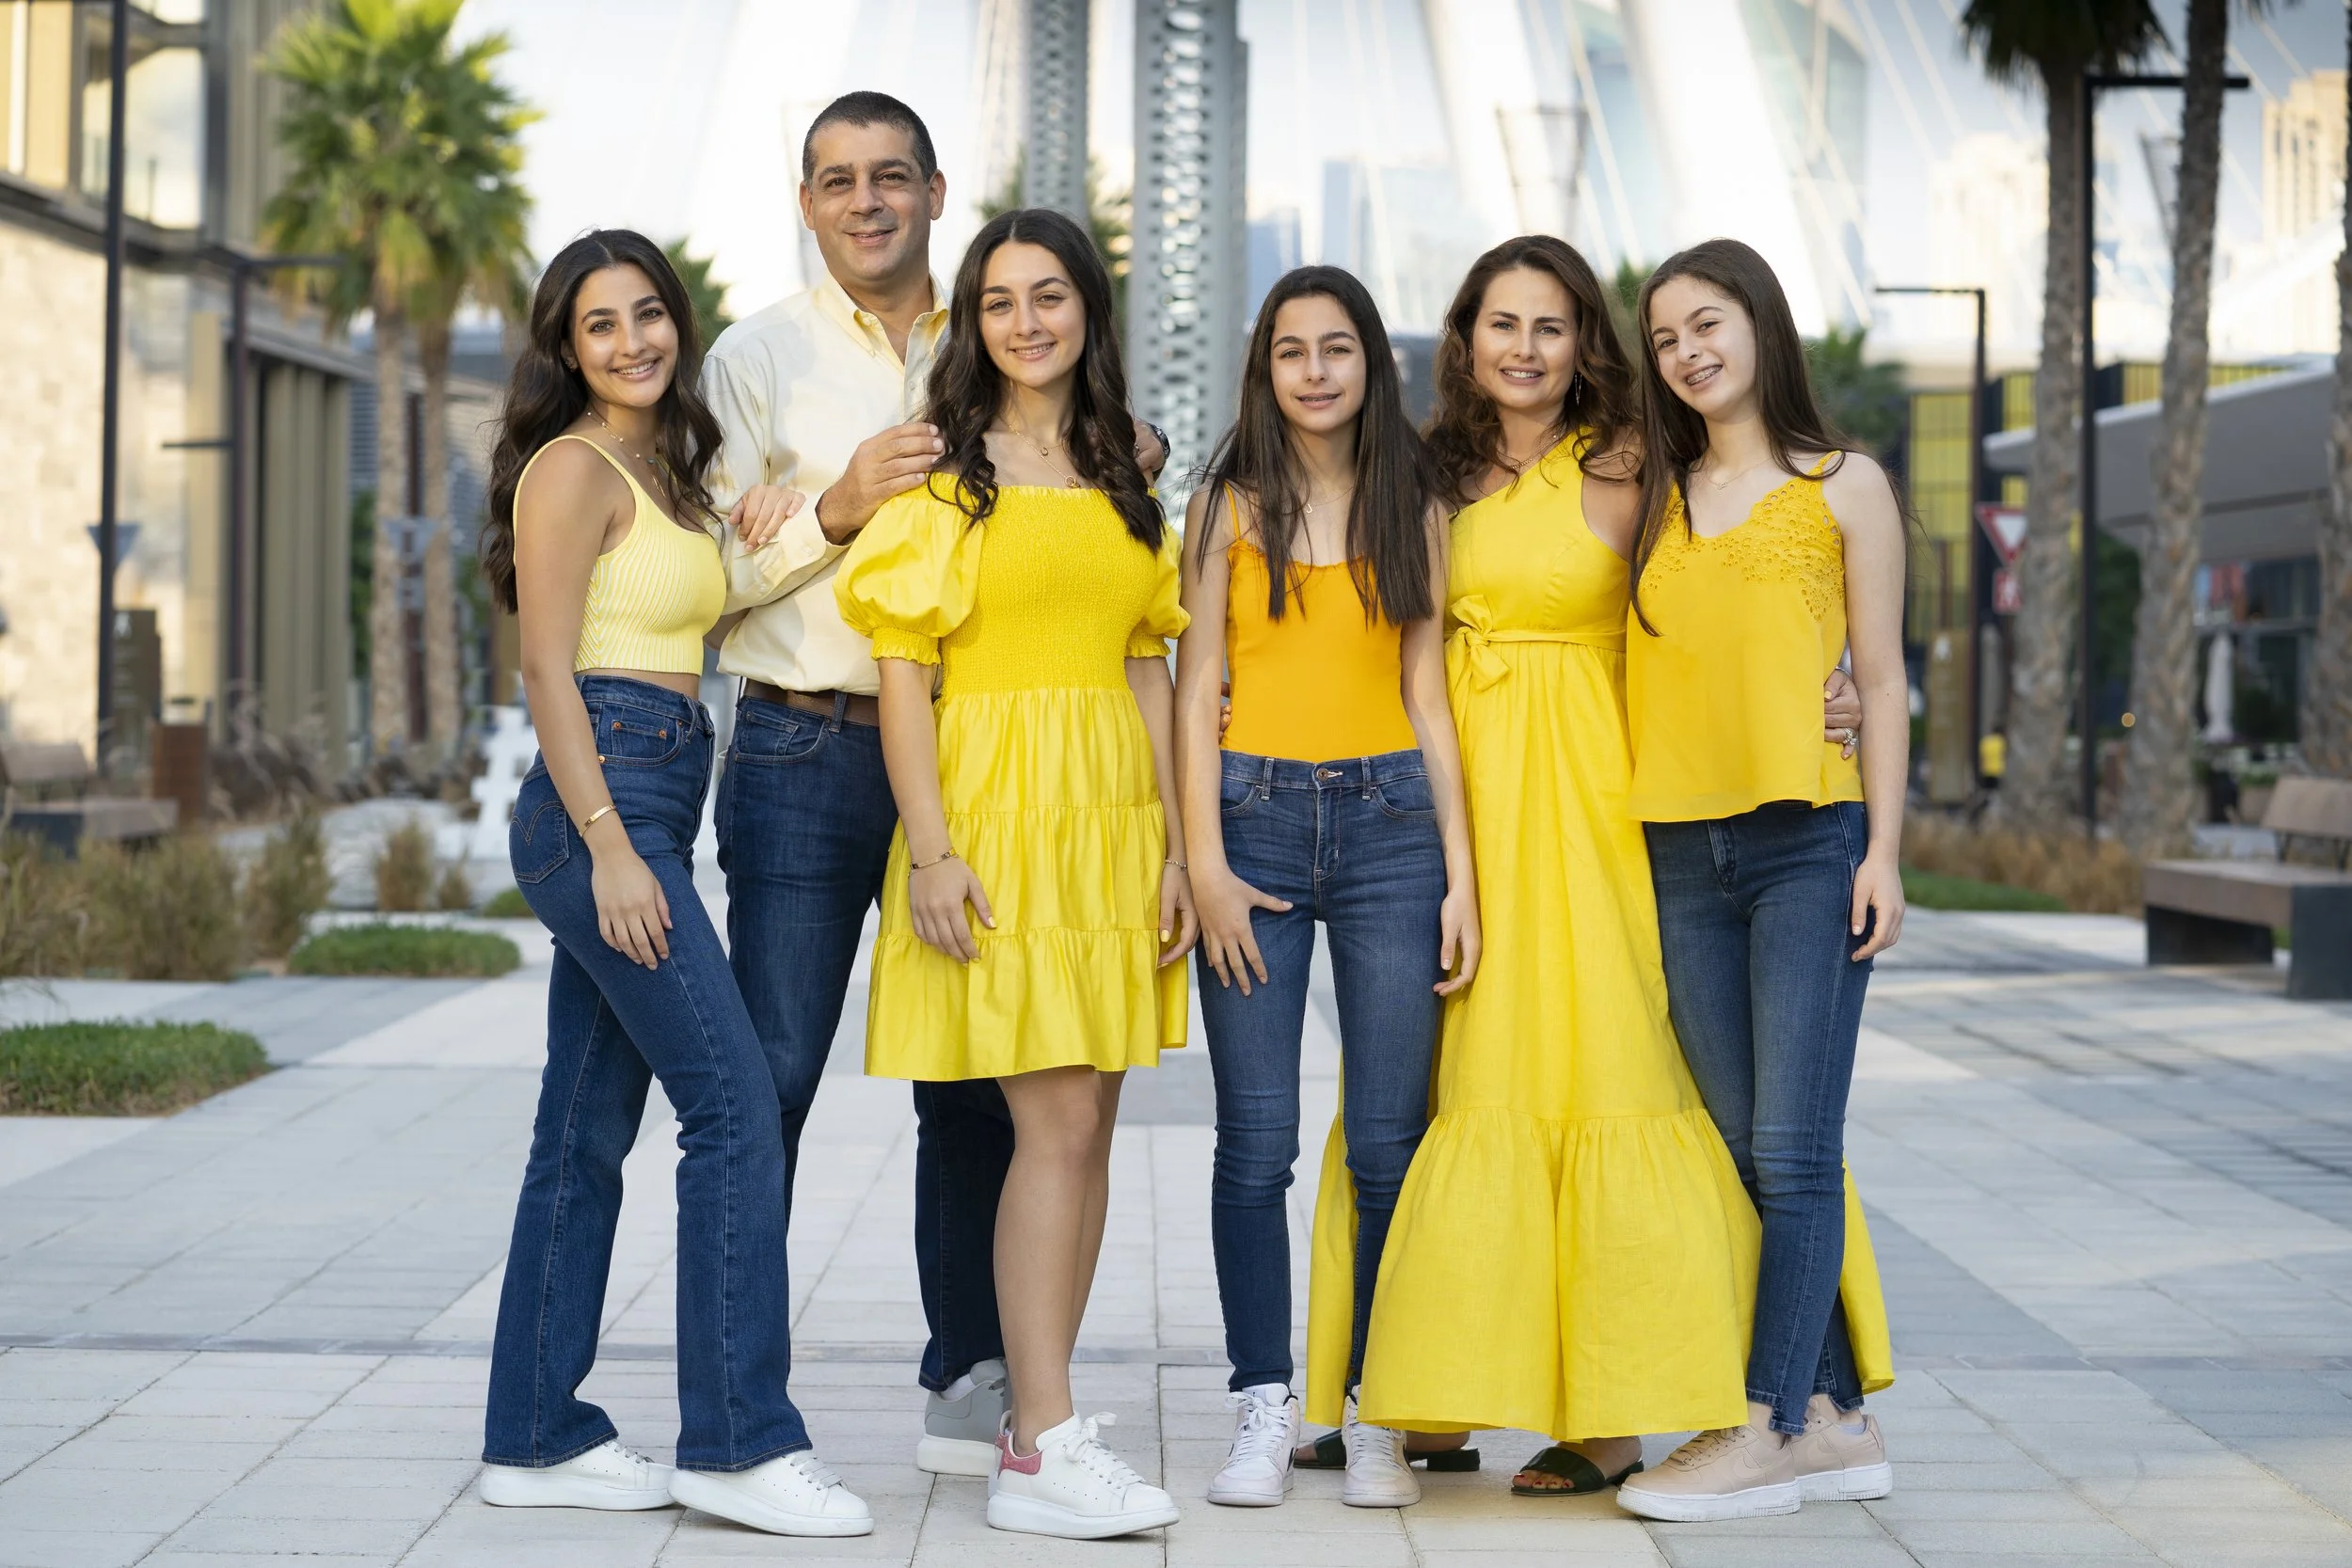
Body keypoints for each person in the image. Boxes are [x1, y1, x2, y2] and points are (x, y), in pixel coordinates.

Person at [1298, 236, 1887, 1503]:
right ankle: (1434, 1396)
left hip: (1616, 811)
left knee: (1632, 1074)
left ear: (1584, 345)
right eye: (1500, 324)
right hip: (1466, 817)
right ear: (1464, 340)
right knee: (1474, 1081)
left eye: (1552, 326)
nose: (1524, 348)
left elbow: (1747, 580)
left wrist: (1832, 684)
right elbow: (1402, 651)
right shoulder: (1430, 471)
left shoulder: (1637, 463)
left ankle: (1632, 1410)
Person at [702, 94, 1167, 1474]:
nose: (866, 201)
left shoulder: (995, 352)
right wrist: (839, 506)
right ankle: (739, 1410)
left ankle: (979, 1379)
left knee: (979, 1088)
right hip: (801, 740)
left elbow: (1082, 554)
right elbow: (712, 581)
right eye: (837, 181)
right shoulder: (755, 357)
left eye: (891, 177)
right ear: (807, 201)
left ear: (934, 190)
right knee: (771, 1073)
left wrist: (1105, 479)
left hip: (974, 761)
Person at [474, 229, 871, 1538]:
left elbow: (717, 604)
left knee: (582, 1130)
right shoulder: (570, 469)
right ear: (566, 347)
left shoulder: (671, 469)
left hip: (654, 781)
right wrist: (608, 847)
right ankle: (740, 1440)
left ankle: (534, 1432)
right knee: (737, 1100)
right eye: (602, 324)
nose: (633, 340)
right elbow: (546, 672)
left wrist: (788, 516)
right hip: (603, 801)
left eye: (649, 315)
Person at [835, 207, 1193, 1540]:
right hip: (996, 814)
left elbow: (1148, 659)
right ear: (973, 321)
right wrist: (930, 849)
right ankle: (1039, 1441)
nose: (1026, 320)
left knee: (1087, 1129)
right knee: (1046, 1129)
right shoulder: (945, 474)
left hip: (1107, 819)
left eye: (1049, 296)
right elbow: (903, 672)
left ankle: (1040, 1417)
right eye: (998, 300)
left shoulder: (1122, 468)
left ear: (1088, 310)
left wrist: (1170, 843)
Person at [1172, 266, 1477, 1513]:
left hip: (1395, 827)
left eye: (1336, 347)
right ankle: (1265, 1401)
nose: (1313, 370)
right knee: (1257, 1141)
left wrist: (1460, 872)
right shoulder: (1226, 503)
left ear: (1370, 363)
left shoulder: (1421, 504)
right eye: (1291, 349)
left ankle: (1379, 1413)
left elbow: (1427, 696)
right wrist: (1202, 858)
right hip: (1250, 821)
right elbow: (1197, 689)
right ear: (1266, 366)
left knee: (1392, 1140)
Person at [1614, 237, 1907, 1524]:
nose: (1687, 349)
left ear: (1761, 324)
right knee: (1745, 1146)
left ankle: (1771, 1422)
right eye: (1667, 334)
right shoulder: (1652, 495)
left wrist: (1886, 850)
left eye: (1709, 322)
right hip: (1681, 850)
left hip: (1808, 841)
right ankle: (1839, 1419)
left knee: (1794, 1145)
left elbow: (1884, 680)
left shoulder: (1847, 484)